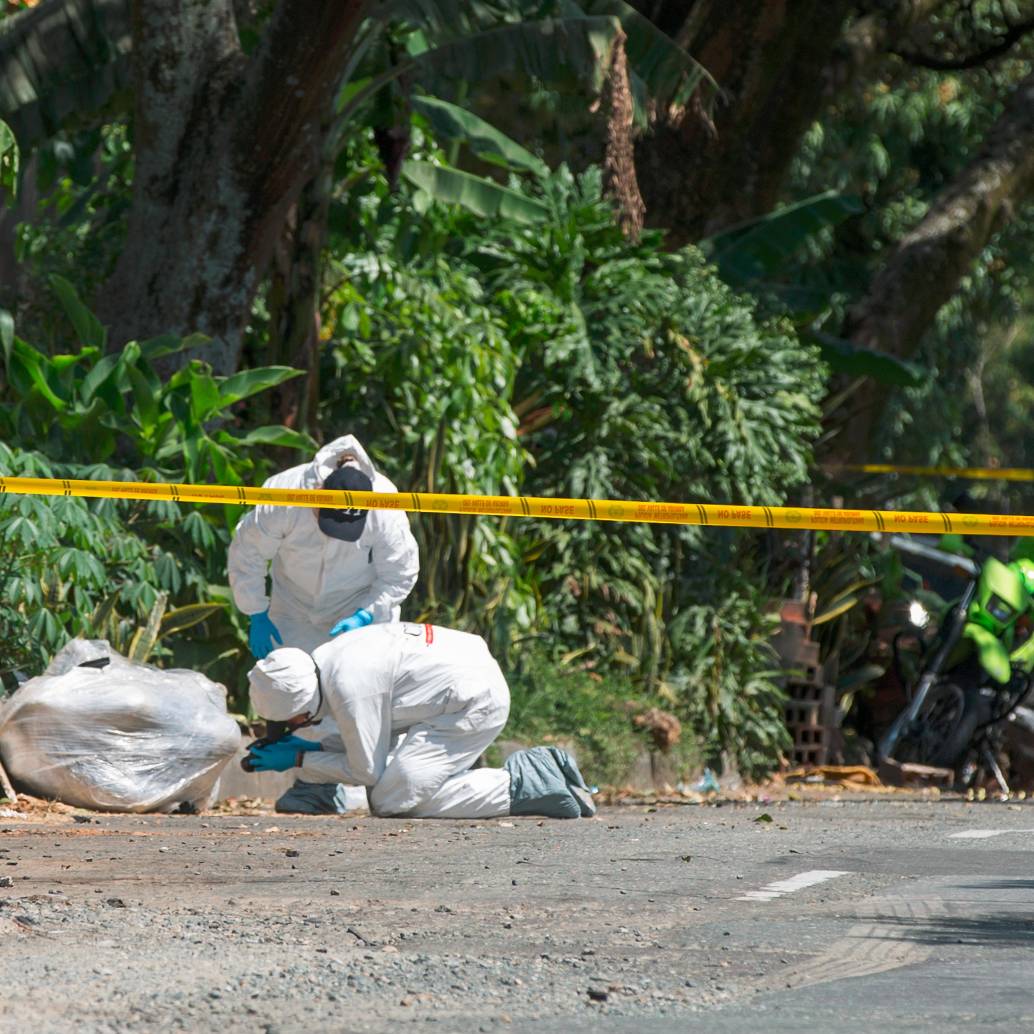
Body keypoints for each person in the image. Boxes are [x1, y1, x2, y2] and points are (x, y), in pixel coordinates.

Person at [229, 435, 420, 814]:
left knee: (356, 692)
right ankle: (311, 787)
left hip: (359, 603)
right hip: (292, 604)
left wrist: (366, 614)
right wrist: (255, 611)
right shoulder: (284, 493)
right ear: (316, 495)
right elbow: (247, 553)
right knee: (289, 688)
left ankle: (360, 781)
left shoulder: (384, 504)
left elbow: (400, 573)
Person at [245, 622, 597, 820]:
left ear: (302, 708)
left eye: (291, 721)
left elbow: (366, 770)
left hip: (473, 705)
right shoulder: (331, 659)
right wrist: (315, 747)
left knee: (390, 800)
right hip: (457, 690)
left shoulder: (352, 689)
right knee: (397, 783)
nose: (294, 725)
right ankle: (530, 776)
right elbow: (369, 736)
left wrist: (300, 758)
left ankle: (524, 783)